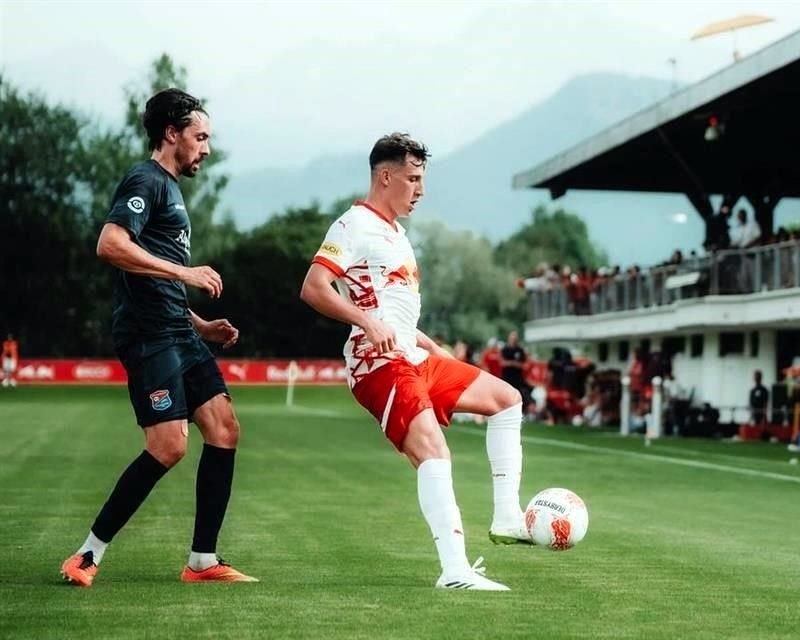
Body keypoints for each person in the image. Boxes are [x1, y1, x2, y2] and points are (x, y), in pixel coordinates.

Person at [300, 133, 527, 591]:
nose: (420, 189)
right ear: (386, 177)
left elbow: (394, 310)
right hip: (378, 362)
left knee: (507, 400)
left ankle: (507, 517)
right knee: (433, 450)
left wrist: (431, 345)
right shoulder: (353, 224)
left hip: (414, 354)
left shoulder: (397, 232)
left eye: (423, 179)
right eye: (413, 178)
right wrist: (365, 322)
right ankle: (455, 572)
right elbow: (314, 287)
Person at [60, 89, 255, 587]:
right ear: (172, 134)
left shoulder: (169, 188)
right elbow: (111, 244)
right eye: (200, 136)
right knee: (169, 446)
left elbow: (152, 276)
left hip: (177, 330)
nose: (206, 148)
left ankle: (203, 562)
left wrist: (198, 324)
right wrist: (187, 273)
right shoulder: (146, 179)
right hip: (150, 337)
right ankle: (86, 555)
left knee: (225, 428)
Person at [500, 331, 529, 407]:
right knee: (506, 394)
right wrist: (512, 363)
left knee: (516, 394)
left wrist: (512, 364)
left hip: (517, 378)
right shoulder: (504, 350)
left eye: (515, 338)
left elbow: (523, 365)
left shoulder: (520, 350)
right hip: (507, 377)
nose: (513, 340)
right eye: (512, 338)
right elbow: (502, 362)